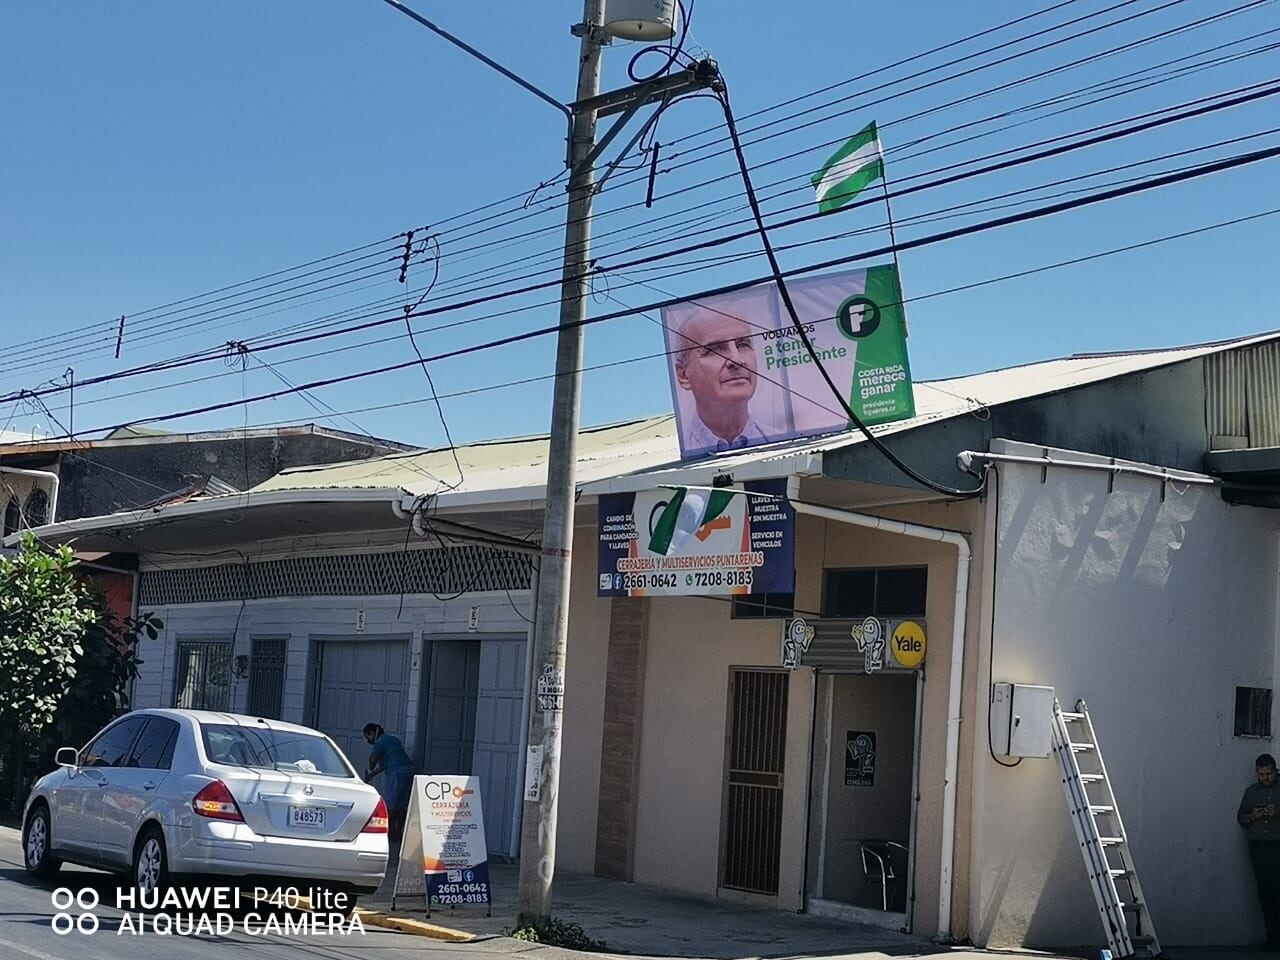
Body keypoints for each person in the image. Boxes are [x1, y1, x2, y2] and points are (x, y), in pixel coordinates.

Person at [672, 309, 771, 453]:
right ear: (684, 375)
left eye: (743, 345)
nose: (737, 360)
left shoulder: (788, 441)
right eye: (716, 349)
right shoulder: (673, 452)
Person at [1239, 753, 1280, 948]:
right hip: (1259, 849)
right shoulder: (1251, 793)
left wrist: (1277, 813)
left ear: (1275, 771)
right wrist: (1252, 816)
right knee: (1265, 893)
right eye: (1261, 774)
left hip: (1278, 846)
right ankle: (1272, 938)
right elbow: (1241, 818)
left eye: (1268, 774)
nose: (1265, 778)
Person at [363, 722, 413, 842]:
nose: (367, 740)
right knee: (401, 805)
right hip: (408, 771)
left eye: (367, 736)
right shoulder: (392, 740)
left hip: (396, 774)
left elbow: (373, 759)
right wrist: (372, 775)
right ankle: (399, 833)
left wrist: (370, 767)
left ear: (372, 733)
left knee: (390, 805)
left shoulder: (380, 742)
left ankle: (389, 834)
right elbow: (385, 764)